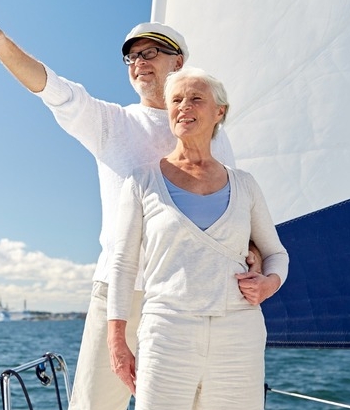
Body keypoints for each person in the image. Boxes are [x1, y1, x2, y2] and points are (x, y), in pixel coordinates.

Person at [0, 12, 260, 410]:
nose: (139, 63)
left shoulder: (216, 138)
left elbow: (233, 208)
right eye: (132, 57)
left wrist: (252, 252)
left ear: (178, 62)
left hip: (192, 295)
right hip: (122, 292)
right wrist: (2, 47)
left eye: (150, 53)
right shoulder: (112, 123)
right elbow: (55, 90)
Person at [106, 66, 288, 410]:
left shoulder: (245, 184)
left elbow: (276, 253)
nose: (183, 106)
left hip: (239, 334)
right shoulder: (142, 181)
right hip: (166, 333)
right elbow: (123, 264)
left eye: (195, 99)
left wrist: (269, 284)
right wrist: (116, 341)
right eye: (176, 100)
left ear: (219, 111)